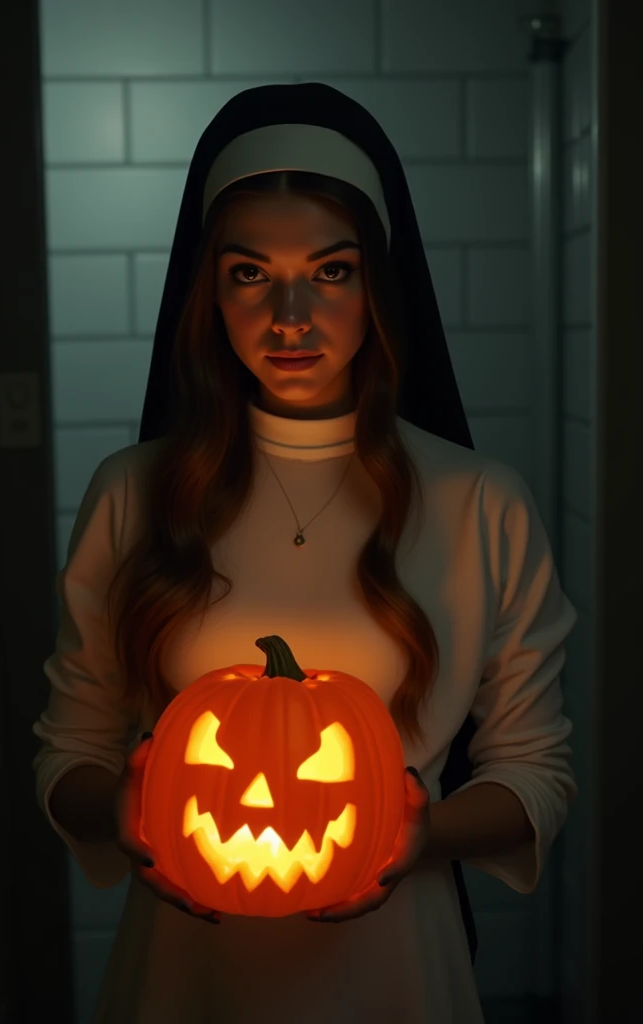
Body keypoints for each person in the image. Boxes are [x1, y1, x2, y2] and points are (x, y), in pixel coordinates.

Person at [31, 83, 578, 1024]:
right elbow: (67, 752)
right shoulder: (132, 492)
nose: (290, 315)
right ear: (208, 290)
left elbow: (536, 771)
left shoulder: (481, 502)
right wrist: (123, 816)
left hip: (397, 971)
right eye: (250, 273)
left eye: (331, 271)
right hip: (182, 978)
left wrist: (421, 834)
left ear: (378, 286)